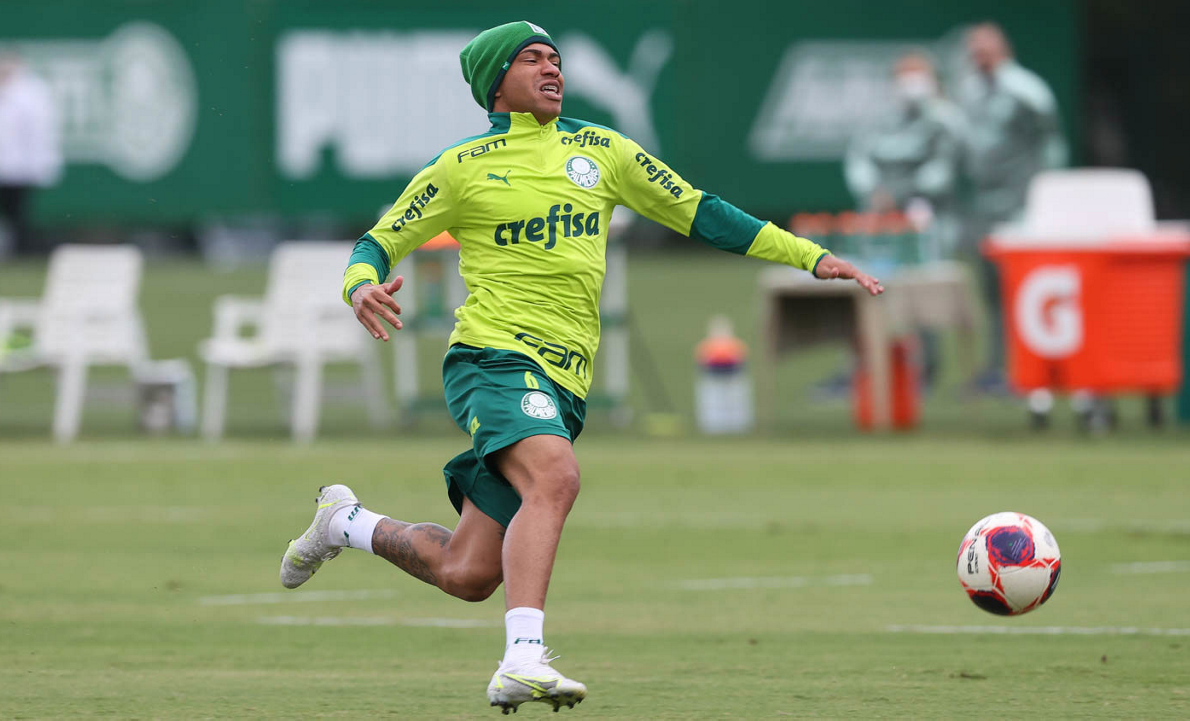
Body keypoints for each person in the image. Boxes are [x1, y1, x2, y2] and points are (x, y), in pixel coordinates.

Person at [278, 21, 882, 715]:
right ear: (495, 83)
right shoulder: (461, 167)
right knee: (556, 476)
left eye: (556, 59)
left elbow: (701, 213)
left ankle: (344, 522)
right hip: (491, 358)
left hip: (563, 382)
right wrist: (360, 285)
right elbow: (377, 242)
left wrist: (810, 256)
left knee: (468, 573)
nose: (552, 69)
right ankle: (522, 659)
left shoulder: (603, 149)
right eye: (531, 59)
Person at [842, 50, 967, 391]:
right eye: (904, 76)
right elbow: (859, 160)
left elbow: (943, 171)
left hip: (926, 222)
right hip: (880, 223)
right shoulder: (880, 119)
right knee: (865, 288)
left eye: (918, 75)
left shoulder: (945, 120)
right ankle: (863, 366)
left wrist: (902, 193)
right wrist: (874, 192)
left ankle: (926, 367)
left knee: (923, 296)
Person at [957, 23, 1065, 396]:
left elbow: (1051, 142)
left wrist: (1043, 197)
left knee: (1022, 287)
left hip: (1021, 204)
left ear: (1002, 48)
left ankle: (1027, 369)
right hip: (984, 205)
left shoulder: (1027, 90)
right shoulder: (970, 90)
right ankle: (996, 368)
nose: (979, 57)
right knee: (989, 289)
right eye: (974, 50)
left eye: (984, 49)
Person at [0, 52, 62, 257]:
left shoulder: (31, 92)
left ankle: (24, 250)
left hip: (24, 165)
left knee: (21, 212)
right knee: (5, 212)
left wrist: (40, 161)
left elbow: (38, 129)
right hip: (0, 166)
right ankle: (12, 249)